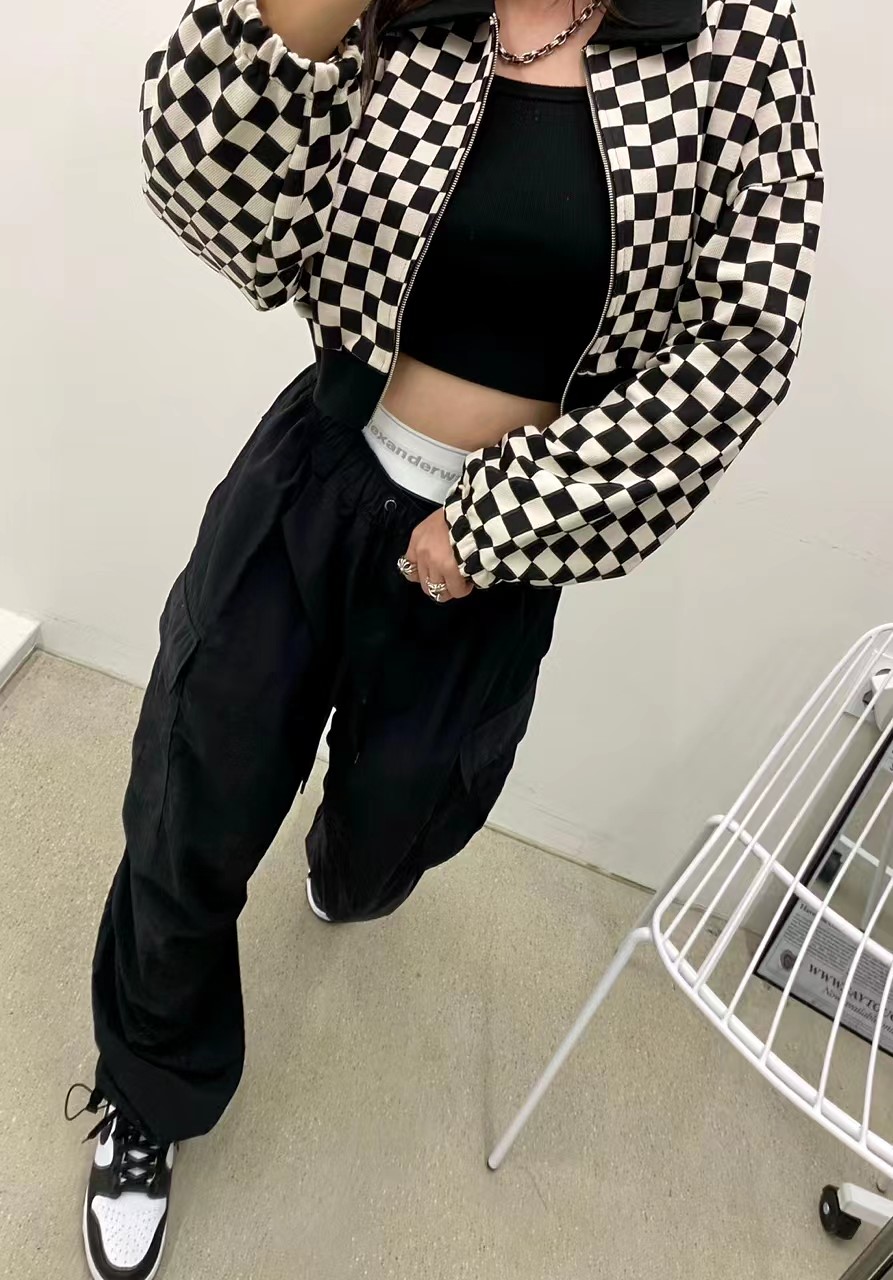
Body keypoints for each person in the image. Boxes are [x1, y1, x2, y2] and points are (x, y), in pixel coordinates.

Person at [68, 0, 824, 1274]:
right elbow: (227, 214)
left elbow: (742, 342)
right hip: (318, 472)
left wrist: (498, 524)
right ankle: (146, 1091)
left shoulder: (731, 39)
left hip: (498, 546)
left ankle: (343, 859)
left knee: (394, 833)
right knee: (191, 791)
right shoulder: (404, 9)